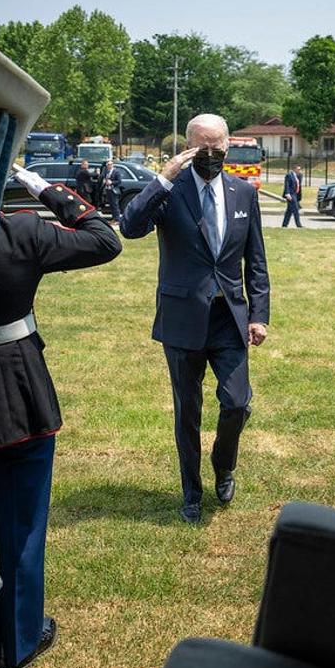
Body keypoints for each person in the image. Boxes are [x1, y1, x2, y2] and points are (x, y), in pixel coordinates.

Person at [0, 164, 121, 668]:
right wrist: (42, 185)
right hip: (19, 394)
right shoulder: (23, 230)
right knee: (24, 527)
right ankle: (21, 639)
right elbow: (103, 239)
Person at [120, 113, 271, 523]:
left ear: (228, 146)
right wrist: (164, 177)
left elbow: (255, 261)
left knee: (237, 402)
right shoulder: (170, 191)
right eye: (203, 149)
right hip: (182, 318)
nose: (211, 156)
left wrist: (259, 314)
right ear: (187, 148)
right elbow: (130, 227)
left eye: (218, 149)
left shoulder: (243, 193)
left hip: (229, 318)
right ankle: (191, 492)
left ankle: (224, 465)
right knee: (188, 411)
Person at [103, 159, 123, 223]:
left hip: (114, 190)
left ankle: (118, 219)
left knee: (115, 204)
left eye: (111, 164)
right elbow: (105, 178)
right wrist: (104, 181)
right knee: (111, 205)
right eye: (108, 164)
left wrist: (111, 182)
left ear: (113, 165)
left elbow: (119, 181)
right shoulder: (106, 171)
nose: (109, 166)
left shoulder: (116, 171)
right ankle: (114, 218)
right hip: (108, 190)